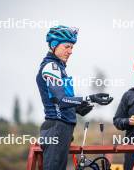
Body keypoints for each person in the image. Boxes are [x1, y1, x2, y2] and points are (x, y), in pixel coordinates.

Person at [36, 25, 113, 170]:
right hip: (56, 128)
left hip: (62, 128)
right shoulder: (51, 66)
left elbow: (63, 102)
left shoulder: (59, 68)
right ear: (53, 45)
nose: (70, 51)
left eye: (72, 47)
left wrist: (77, 108)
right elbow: (60, 99)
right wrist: (89, 98)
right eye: (67, 47)